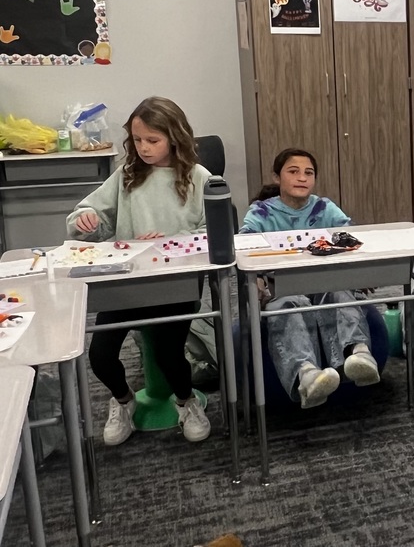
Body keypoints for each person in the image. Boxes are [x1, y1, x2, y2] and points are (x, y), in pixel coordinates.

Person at [66, 97, 212, 446]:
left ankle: (186, 401)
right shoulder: (127, 175)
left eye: (153, 140)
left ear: (174, 138)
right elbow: (87, 214)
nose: (143, 148)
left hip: (175, 284)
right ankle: (123, 401)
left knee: (168, 354)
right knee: (99, 355)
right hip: (127, 281)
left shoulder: (198, 177)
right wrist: (87, 221)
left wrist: (171, 240)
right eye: (137, 140)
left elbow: (213, 232)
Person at [239, 148, 379, 408]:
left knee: (341, 294)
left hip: (324, 282)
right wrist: (257, 277)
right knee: (288, 306)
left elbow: (350, 238)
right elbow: (244, 247)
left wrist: (360, 270)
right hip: (282, 288)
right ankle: (307, 375)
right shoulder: (261, 212)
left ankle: (359, 355)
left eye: (308, 173)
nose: (302, 177)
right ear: (277, 176)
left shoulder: (323, 207)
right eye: (293, 172)